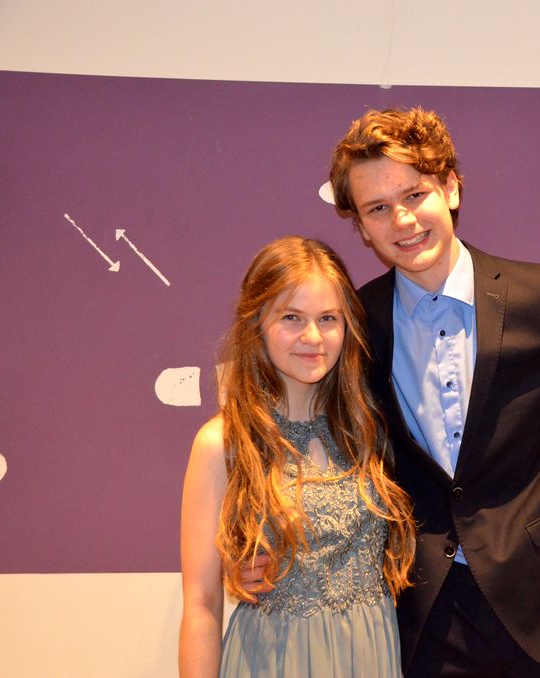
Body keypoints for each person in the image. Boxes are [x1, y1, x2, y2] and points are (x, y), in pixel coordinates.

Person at [328, 107, 540, 676]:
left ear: (450, 188)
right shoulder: (355, 322)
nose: (402, 220)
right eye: (378, 208)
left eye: (415, 194)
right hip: (427, 619)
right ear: (362, 227)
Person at [178, 236, 417, 677]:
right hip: (272, 661)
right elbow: (201, 606)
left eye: (328, 318)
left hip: (371, 657)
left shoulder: (372, 429)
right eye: (292, 317)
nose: (313, 337)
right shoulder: (223, 443)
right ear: (257, 323)